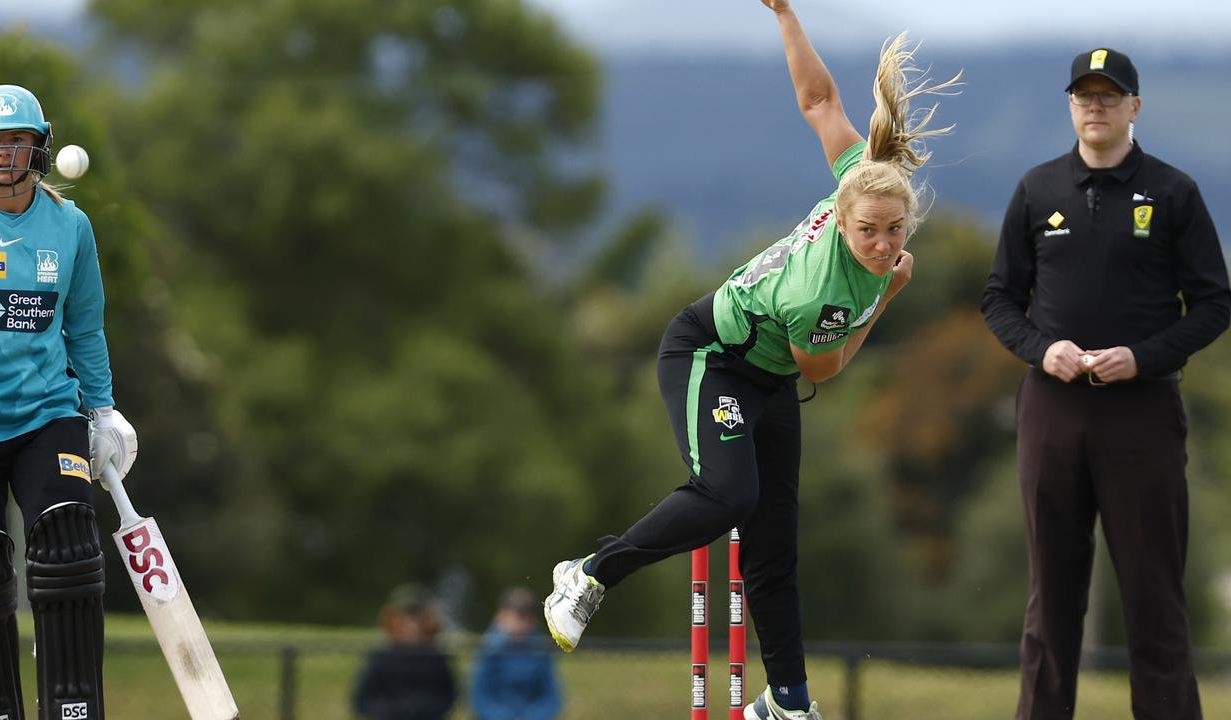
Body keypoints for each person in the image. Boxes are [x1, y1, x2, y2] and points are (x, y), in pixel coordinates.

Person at [542, 2, 960, 719]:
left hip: (768, 378)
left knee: (774, 545)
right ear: (845, 214)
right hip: (711, 354)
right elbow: (822, 370)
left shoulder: (864, 172)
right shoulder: (825, 292)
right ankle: (589, 572)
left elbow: (819, 99)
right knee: (727, 495)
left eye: (895, 231)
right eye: (868, 233)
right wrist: (887, 296)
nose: (884, 244)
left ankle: (788, 703)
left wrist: (784, 14)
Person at [981, 48, 1229, 720]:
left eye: (1109, 96)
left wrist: (1143, 358)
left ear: (1134, 107)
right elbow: (1000, 298)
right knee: (1050, 603)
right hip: (1052, 410)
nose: (1095, 107)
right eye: (1084, 96)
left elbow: (1214, 303)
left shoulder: (1173, 192)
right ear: (1071, 106)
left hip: (1141, 412)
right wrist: (1042, 348)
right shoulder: (1038, 190)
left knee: (1153, 599)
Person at [0, 84, 138, 720]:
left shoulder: (70, 227)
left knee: (68, 547)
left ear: (40, 146)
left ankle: (73, 709)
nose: (5, 154)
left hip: (44, 417)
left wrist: (104, 409)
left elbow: (85, 326)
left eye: (17, 141)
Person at [352, 583, 458, 720]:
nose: (410, 624)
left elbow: (448, 697)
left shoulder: (436, 658)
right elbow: (362, 700)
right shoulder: (380, 657)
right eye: (404, 617)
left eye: (416, 617)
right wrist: (389, 712)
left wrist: (423, 709)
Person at [470, 587, 561, 720]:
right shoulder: (489, 648)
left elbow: (551, 697)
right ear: (501, 616)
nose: (518, 624)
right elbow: (479, 697)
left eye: (524, 618)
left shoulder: (541, 650)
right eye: (515, 617)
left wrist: (533, 717)